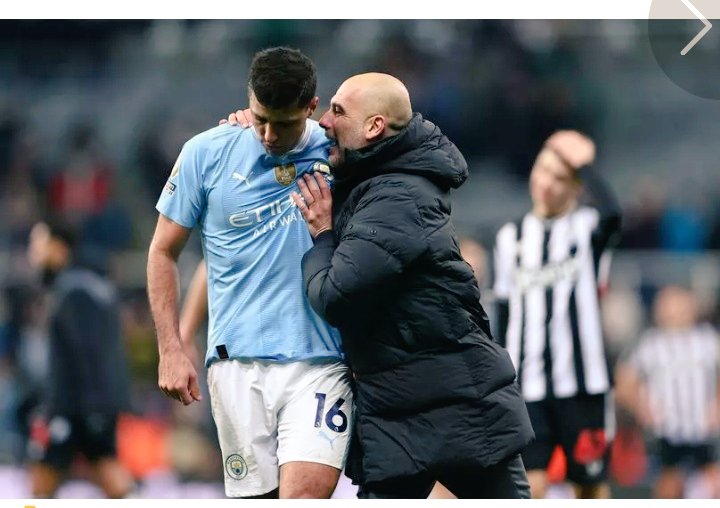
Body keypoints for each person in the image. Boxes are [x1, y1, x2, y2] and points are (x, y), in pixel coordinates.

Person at [290, 72, 533, 499]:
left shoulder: (398, 196)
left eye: (339, 111)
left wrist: (324, 235)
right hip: (405, 403)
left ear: (374, 128)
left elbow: (335, 294)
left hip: (451, 404)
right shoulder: (374, 179)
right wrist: (246, 127)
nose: (325, 121)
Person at [146, 47, 352, 499]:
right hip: (235, 364)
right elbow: (163, 251)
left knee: (303, 494)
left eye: (283, 123)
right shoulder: (205, 152)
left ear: (311, 108)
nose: (268, 134)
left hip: (319, 362)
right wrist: (172, 347)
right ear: (248, 98)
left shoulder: (340, 154)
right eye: (260, 118)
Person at [492, 130, 622, 498]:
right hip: (527, 386)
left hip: (583, 386)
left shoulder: (588, 228)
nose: (546, 183)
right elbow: (502, 312)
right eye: (543, 170)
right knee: (530, 486)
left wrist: (584, 164)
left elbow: (614, 213)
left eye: (560, 177)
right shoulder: (509, 238)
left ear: (577, 187)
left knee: (591, 485)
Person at [25, 220, 133, 498]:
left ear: (59, 248)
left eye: (39, 244)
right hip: (86, 406)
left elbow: (89, 354)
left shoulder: (74, 291)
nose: (32, 252)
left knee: (44, 477)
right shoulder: (90, 284)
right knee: (102, 469)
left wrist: (88, 410)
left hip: (76, 407)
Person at [616, 286, 720, 498]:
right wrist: (642, 406)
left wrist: (717, 404)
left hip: (703, 427)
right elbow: (624, 380)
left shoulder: (708, 340)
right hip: (667, 427)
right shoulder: (650, 343)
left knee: (712, 480)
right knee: (669, 482)